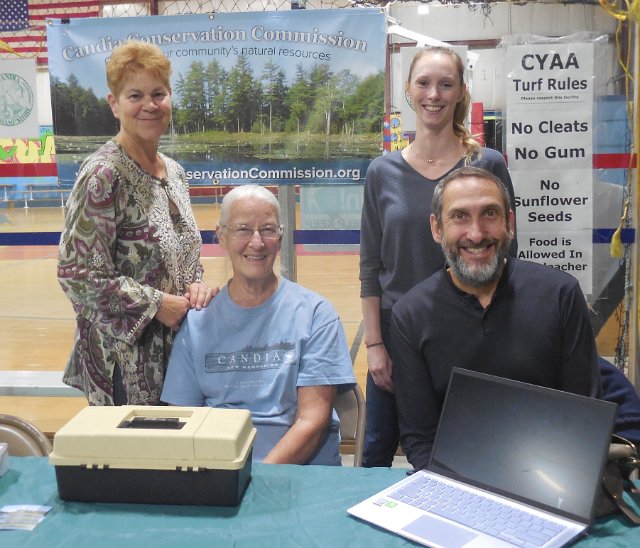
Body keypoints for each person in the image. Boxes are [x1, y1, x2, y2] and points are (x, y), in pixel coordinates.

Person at [359, 46, 518, 467]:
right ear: (409, 91)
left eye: (446, 84)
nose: (434, 94)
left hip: (468, 325)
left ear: (461, 91)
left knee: (463, 448)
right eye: (424, 83)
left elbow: (507, 254)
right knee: (377, 451)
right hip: (396, 332)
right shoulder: (382, 172)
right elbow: (370, 268)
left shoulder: (487, 164)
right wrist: (375, 344)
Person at [390, 166, 601, 470]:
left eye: (489, 214)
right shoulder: (410, 316)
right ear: (437, 229)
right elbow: (421, 440)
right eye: (459, 216)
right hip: (456, 479)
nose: (476, 234)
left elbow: (585, 416)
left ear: (509, 223)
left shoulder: (560, 295)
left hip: (551, 475)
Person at [57, 41, 213, 406]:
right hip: (124, 365)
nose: (149, 105)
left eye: (158, 93)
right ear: (114, 104)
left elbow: (183, 255)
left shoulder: (174, 173)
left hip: (179, 354)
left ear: (171, 97)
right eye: (135, 95)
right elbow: (76, 275)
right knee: (138, 460)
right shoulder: (103, 175)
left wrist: (197, 286)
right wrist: (157, 303)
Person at [161, 185, 356, 465]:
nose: (257, 242)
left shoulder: (316, 315)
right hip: (221, 471)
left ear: (281, 237)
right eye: (242, 229)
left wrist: (258, 477)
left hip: (299, 475)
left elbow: (312, 421)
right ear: (222, 237)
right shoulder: (197, 322)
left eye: (267, 229)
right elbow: (183, 421)